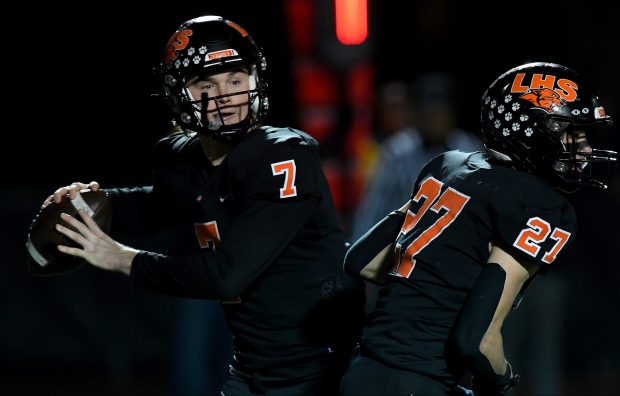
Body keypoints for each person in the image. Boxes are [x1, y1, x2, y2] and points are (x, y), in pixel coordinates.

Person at [44, 15, 364, 395]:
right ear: (180, 94)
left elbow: (227, 275)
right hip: (254, 363)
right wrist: (93, 201)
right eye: (206, 84)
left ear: (254, 79)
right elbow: (158, 206)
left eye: (234, 79)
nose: (225, 95)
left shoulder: (284, 157)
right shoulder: (180, 158)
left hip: (325, 364)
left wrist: (121, 258)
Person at [339, 62, 617, 395]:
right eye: (573, 135)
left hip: (361, 372)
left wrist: (434, 288)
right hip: (424, 380)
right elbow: (478, 341)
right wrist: (503, 378)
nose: (584, 150)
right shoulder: (543, 207)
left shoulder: (447, 165)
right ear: (530, 132)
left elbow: (361, 260)